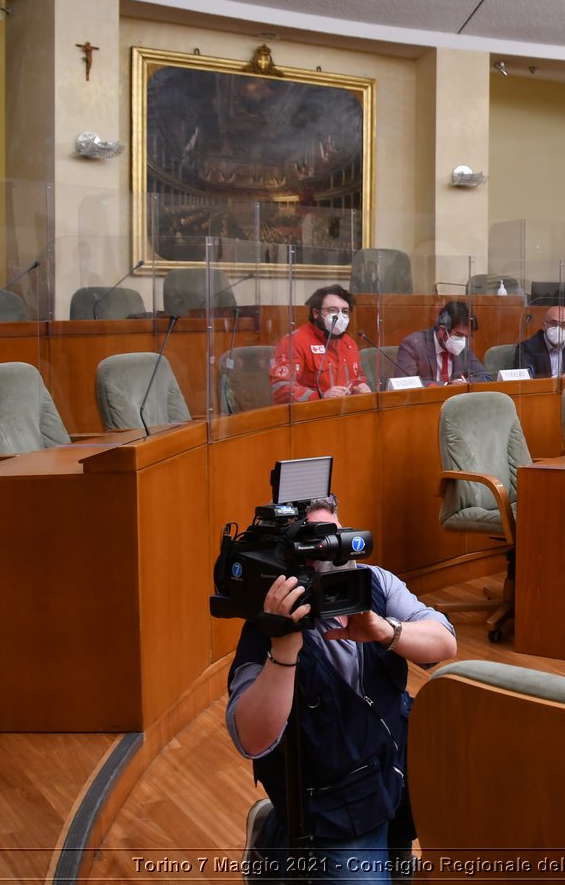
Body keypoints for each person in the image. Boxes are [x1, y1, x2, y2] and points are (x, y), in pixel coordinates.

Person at [227, 495, 457, 883]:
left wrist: (385, 631)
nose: (337, 562)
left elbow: (444, 643)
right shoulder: (264, 629)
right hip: (336, 802)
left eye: (338, 542)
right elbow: (251, 739)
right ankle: (274, 838)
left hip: (394, 764)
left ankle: (391, 848)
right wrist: (284, 646)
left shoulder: (376, 582)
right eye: (317, 551)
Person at [270, 285, 373, 404]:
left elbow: (357, 378)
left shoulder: (349, 343)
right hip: (310, 415)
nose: (340, 316)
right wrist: (320, 396)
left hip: (346, 414)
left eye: (345, 311)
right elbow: (281, 390)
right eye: (332, 310)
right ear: (316, 313)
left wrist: (360, 387)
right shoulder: (294, 342)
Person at [393, 300, 491, 385]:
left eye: (466, 336)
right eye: (459, 335)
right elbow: (404, 383)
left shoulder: (463, 345)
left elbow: (485, 377)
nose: (462, 340)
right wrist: (446, 385)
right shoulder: (413, 345)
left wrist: (462, 383)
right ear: (442, 330)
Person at [513, 305, 565, 379]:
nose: (558, 329)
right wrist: (560, 379)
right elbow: (526, 381)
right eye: (554, 323)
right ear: (544, 325)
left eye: (563, 325)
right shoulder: (527, 347)